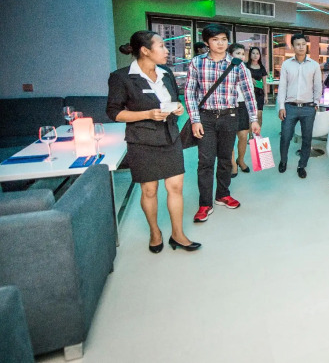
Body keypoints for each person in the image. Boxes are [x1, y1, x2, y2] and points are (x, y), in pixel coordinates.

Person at [107, 31, 200, 253]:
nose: (167, 51)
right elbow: (114, 112)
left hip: (170, 137)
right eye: (161, 46)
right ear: (145, 50)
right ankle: (155, 232)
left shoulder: (166, 73)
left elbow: (174, 100)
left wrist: (178, 108)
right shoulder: (121, 77)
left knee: (176, 186)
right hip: (142, 140)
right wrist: (147, 114)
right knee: (149, 190)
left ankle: (177, 234)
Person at [185, 25, 260, 223]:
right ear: (207, 42)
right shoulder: (197, 62)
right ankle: (205, 203)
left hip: (230, 116)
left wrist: (253, 119)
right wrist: (195, 120)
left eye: (224, 39)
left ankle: (222, 194)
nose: (220, 43)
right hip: (206, 118)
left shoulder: (237, 64)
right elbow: (190, 93)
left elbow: (249, 92)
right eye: (215, 39)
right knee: (205, 161)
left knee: (226, 158)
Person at [277, 33, 322, 179]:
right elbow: (282, 86)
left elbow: (318, 86)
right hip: (289, 107)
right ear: (293, 47)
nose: (301, 47)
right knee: (285, 136)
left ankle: (302, 165)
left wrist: (316, 104)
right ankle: (283, 161)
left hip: (308, 108)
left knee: (307, 139)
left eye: (303, 44)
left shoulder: (314, 65)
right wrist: (281, 106)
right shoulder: (286, 64)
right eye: (298, 44)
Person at [227, 43, 251, 177]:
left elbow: (250, 92)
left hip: (243, 106)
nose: (241, 56)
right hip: (229, 107)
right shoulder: (225, 69)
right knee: (229, 138)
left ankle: (240, 160)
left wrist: (253, 113)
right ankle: (233, 164)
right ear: (230, 55)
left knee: (243, 136)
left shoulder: (246, 70)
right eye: (238, 53)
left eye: (243, 54)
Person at [246, 46, 268, 128]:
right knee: (250, 115)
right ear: (250, 54)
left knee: (259, 114)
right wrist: (249, 78)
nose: (255, 55)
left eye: (257, 53)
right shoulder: (246, 66)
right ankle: (251, 135)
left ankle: (257, 134)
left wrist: (266, 96)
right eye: (253, 53)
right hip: (249, 93)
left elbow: (264, 83)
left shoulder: (262, 67)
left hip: (259, 93)